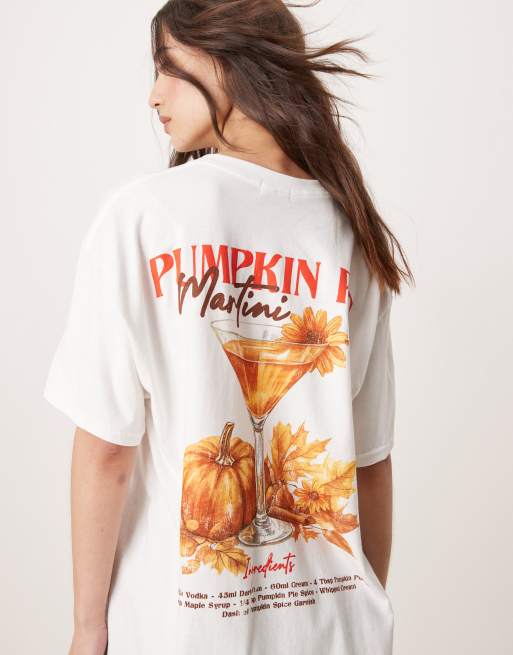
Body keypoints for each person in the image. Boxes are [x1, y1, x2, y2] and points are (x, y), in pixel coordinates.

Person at [43, 1, 414, 654]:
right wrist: (360, 604)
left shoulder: (144, 216)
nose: (153, 95)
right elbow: (371, 464)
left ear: (226, 61)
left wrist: (86, 629)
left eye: (166, 66)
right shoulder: (351, 230)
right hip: (336, 631)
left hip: (184, 633)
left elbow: (106, 450)